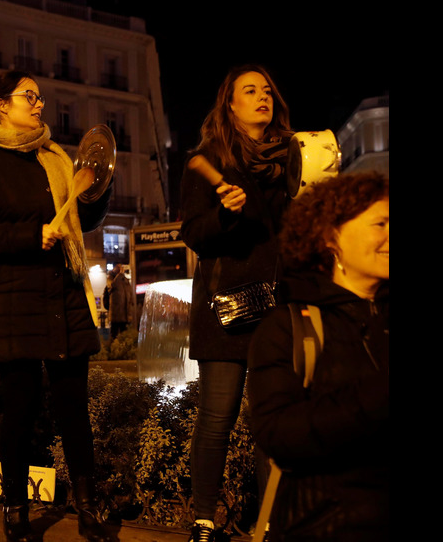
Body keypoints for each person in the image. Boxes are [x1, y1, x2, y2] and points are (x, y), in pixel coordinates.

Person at [0, 70, 113, 542]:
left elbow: (82, 215)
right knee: (18, 409)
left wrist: (100, 186)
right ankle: (15, 509)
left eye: (40, 97)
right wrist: (30, 236)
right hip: (12, 299)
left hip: (61, 295)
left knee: (73, 409)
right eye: (29, 97)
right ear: (2, 105)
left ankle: (88, 508)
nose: (39, 104)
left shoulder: (54, 156)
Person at [179, 65, 293, 542]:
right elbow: (194, 234)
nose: (261, 96)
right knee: (217, 418)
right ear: (231, 104)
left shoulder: (291, 157)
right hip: (224, 310)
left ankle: (269, 523)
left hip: (279, 307)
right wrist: (225, 213)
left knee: (273, 420)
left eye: (267, 90)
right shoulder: (209, 158)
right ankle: (203, 520)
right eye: (250, 90)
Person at [247, 172, 389, 541]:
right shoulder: (290, 327)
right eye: (381, 223)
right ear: (332, 237)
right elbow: (277, 433)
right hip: (325, 527)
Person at [107, 265, 135, 340]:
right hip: (116, 316)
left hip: (125, 316)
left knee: (125, 337)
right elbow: (112, 286)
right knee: (114, 337)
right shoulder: (111, 279)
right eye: (119, 268)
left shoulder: (125, 281)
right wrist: (119, 275)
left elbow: (130, 294)